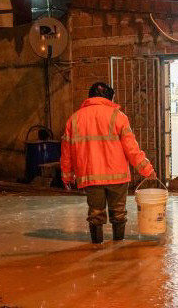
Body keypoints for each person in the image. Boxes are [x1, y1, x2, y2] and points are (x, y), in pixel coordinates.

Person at [60, 82, 156, 244]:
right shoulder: (118, 117)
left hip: (91, 177)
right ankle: (118, 246)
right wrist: (147, 170)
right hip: (117, 177)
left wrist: (67, 176)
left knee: (95, 214)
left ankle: (96, 246)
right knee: (118, 213)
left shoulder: (74, 119)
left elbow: (66, 152)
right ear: (109, 97)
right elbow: (132, 149)